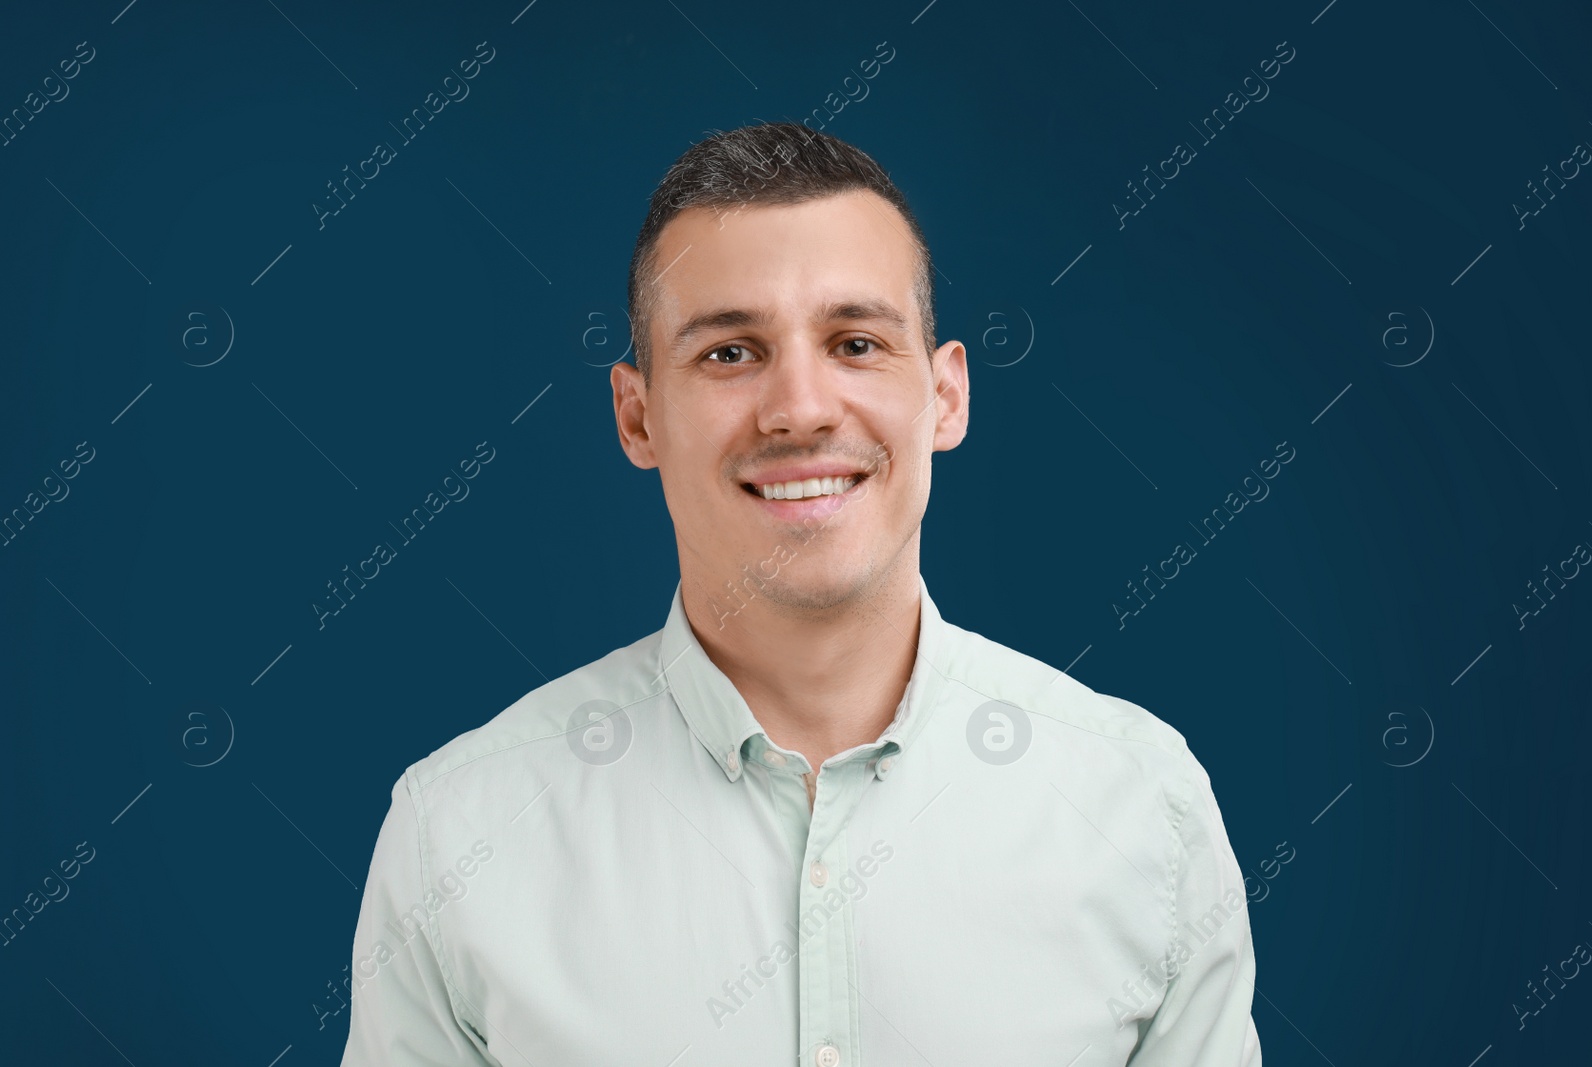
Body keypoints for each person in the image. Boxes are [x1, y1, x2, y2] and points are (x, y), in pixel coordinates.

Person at [340, 121, 1262, 1066]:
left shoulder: (1144, 811)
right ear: (636, 413)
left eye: (855, 342)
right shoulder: (458, 838)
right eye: (730, 353)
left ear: (946, 397)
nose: (801, 408)